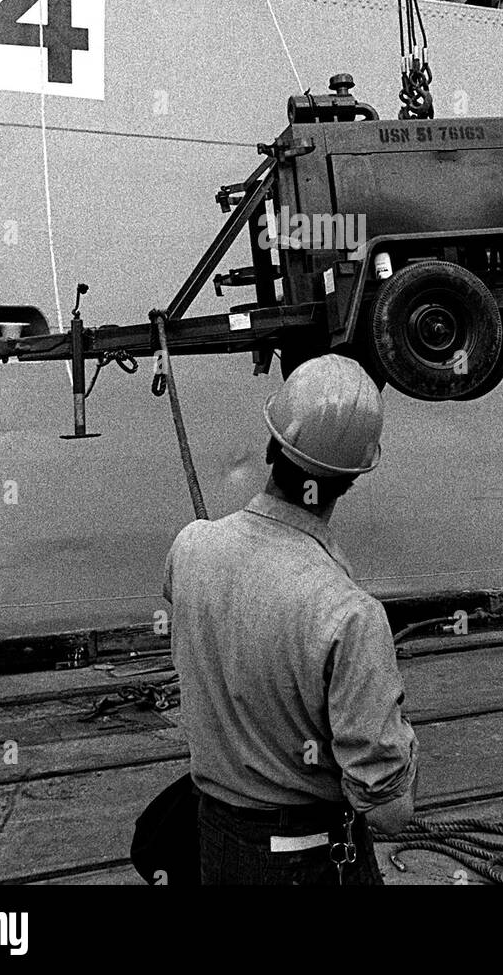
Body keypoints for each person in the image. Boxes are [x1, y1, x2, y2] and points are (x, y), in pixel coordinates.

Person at [163, 354, 419, 886]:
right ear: (350, 480)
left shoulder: (189, 549)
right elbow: (389, 813)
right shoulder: (350, 614)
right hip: (306, 859)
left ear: (271, 444)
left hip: (215, 840)